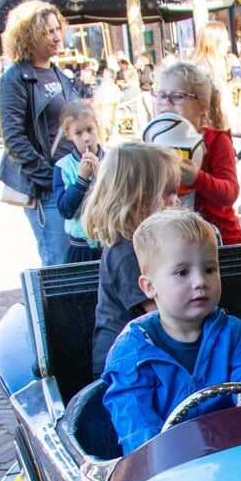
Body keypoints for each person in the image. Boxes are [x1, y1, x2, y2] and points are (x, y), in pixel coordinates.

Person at [102, 208, 241, 454]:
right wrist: (157, 456)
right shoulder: (132, 352)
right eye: (183, 272)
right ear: (150, 286)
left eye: (209, 269)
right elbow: (136, 426)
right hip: (169, 465)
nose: (200, 282)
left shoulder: (229, 330)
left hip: (231, 450)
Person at [83, 141, 182, 373]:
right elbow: (162, 317)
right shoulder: (127, 253)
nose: (176, 201)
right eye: (170, 193)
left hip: (146, 350)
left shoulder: (149, 242)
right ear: (141, 197)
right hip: (125, 364)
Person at [0, 0, 77, 267]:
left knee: (75, 258)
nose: (56, 37)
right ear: (29, 35)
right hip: (47, 189)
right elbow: (14, 139)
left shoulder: (59, 73)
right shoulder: (14, 78)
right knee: (58, 262)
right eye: (47, 32)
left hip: (72, 180)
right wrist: (50, 178)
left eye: (57, 29)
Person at [150, 61, 241, 245]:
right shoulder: (153, 144)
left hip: (221, 242)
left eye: (177, 96)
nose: (166, 103)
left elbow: (230, 193)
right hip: (177, 242)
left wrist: (197, 178)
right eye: (161, 96)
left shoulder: (216, 141)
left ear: (202, 106)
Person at [53, 99, 104, 264]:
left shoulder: (113, 160)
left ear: (98, 127)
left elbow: (121, 202)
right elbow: (66, 210)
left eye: (90, 130)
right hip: (80, 247)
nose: (87, 138)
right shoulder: (63, 167)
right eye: (78, 133)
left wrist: (100, 178)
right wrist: (81, 179)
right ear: (69, 135)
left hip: (109, 244)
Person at [188, 22, 238, 130]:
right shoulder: (200, 70)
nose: (228, 44)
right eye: (225, 39)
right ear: (213, 42)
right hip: (210, 134)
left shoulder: (215, 66)